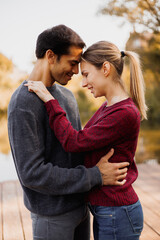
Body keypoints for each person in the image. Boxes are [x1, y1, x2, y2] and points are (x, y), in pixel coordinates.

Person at [8, 25, 129, 240]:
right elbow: (32, 173)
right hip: (51, 217)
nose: (76, 71)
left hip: (82, 210)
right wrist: (96, 175)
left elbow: (77, 146)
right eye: (73, 63)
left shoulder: (66, 96)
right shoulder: (23, 102)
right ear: (51, 56)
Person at [25, 40, 148, 240]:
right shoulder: (109, 107)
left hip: (116, 212)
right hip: (109, 211)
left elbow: (74, 141)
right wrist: (95, 173)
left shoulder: (124, 113)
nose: (83, 83)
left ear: (105, 69)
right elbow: (85, 141)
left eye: (86, 74)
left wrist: (50, 100)